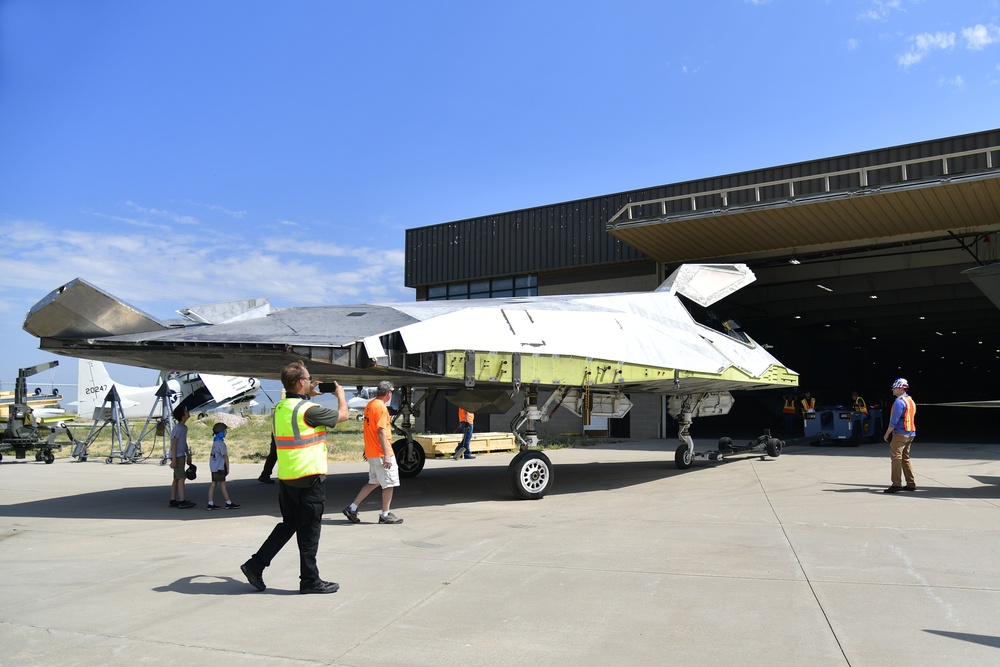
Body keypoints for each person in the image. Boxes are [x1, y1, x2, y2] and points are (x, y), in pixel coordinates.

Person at [240, 362, 348, 594]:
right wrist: (340, 394)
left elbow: (298, 412)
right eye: (308, 379)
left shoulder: (281, 408)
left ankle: (255, 565)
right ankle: (310, 581)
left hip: (288, 479)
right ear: (301, 382)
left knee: (288, 525)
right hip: (309, 479)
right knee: (309, 533)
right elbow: (343, 416)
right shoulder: (309, 409)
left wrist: (308, 395)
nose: (311, 381)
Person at [342, 380, 403, 525]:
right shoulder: (381, 408)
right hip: (382, 453)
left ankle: (352, 507)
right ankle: (385, 514)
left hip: (372, 452)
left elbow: (369, 429)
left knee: (373, 482)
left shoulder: (370, 405)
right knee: (389, 484)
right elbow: (381, 431)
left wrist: (367, 448)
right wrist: (387, 454)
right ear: (388, 393)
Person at [882, 378, 917, 493]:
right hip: (910, 433)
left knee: (896, 457)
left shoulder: (899, 402)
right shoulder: (910, 400)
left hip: (900, 434)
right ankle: (911, 483)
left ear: (901, 388)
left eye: (894, 387)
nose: (892, 389)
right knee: (905, 458)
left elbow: (894, 421)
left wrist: (887, 433)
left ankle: (896, 483)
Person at [206, 422, 240, 510]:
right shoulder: (221, 444)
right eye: (225, 430)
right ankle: (228, 502)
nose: (225, 432)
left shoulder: (215, 443)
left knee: (213, 484)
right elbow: (225, 456)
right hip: (219, 468)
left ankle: (210, 503)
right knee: (223, 485)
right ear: (221, 432)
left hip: (214, 468)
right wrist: (227, 468)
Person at [169, 405, 196, 509]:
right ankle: (182, 500)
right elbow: (174, 443)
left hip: (180, 455)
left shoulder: (184, 428)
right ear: (183, 416)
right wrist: (174, 460)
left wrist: (188, 455)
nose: (188, 412)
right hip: (177, 456)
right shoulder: (178, 428)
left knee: (176, 477)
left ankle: (173, 500)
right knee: (181, 477)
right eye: (185, 411)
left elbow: (183, 442)